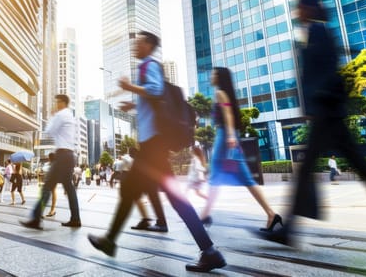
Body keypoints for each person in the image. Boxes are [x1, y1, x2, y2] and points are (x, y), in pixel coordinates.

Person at [256, 0, 366, 259]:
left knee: (358, 173)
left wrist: (315, 107)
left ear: (309, 7)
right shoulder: (313, 33)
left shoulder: (320, 32)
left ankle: (288, 231)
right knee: (352, 172)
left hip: (327, 113)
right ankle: (288, 230)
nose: (296, 10)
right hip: (326, 113)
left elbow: (325, 74)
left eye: (299, 6)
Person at [87, 31, 225, 272]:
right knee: (169, 198)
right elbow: (152, 96)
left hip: (153, 145)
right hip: (153, 146)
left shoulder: (149, 64)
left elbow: (156, 90)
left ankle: (110, 240)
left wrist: (130, 87)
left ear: (149, 45)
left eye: (138, 42)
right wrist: (134, 103)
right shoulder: (148, 66)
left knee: (134, 191)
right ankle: (209, 250)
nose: (134, 46)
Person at [199, 67, 281, 231]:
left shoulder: (220, 93)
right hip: (228, 135)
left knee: (216, 175)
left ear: (220, 78)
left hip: (224, 136)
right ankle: (271, 214)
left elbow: (228, 114)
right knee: (245, 178)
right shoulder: (224, 93)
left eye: (214, 74)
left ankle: (204, 216)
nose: (211, 76)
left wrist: (229, 136)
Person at [21, 94, 81, 229]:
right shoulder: (70, 116)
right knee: (69, 188)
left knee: (47, 186)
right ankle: (75, 218)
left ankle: (36, 218)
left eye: (58, 102)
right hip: (70, 155)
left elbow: (49, 130)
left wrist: (53, 115)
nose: (56, 104)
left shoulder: (61, 115)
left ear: (63, 103)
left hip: (62, 155)